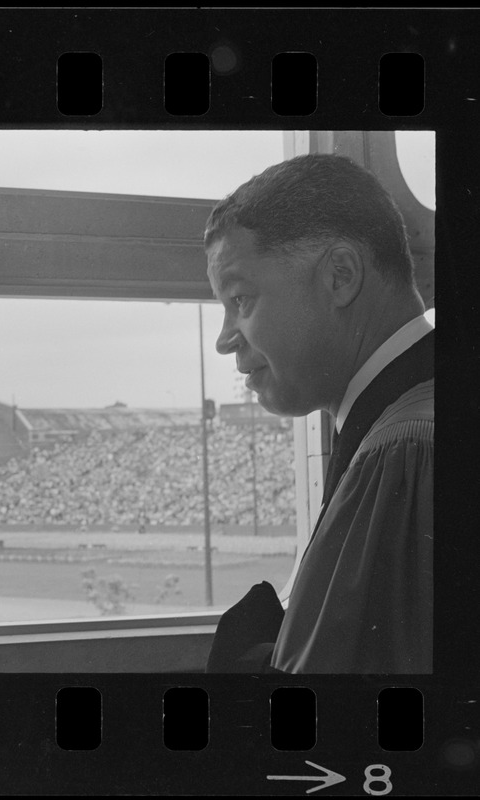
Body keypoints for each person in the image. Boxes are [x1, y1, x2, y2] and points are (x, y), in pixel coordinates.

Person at [203, 154, 433, 674]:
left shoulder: (405, 448)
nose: (223, 339)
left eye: (240, 298)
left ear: (340, 275)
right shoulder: (400, 421)